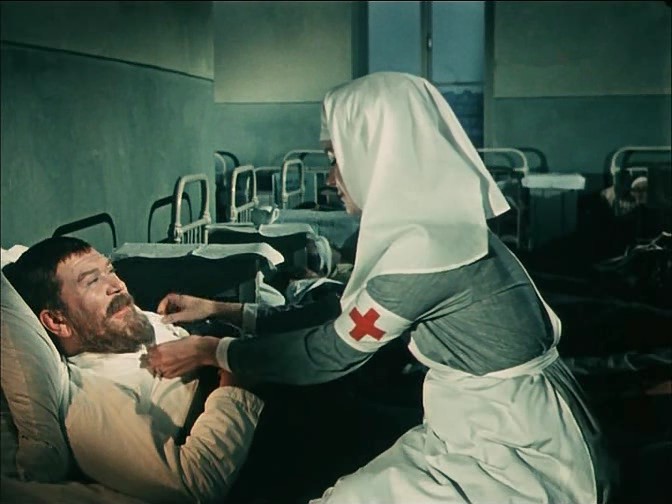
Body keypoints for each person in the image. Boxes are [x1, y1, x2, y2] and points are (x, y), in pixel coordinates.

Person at [146, 72, 614, 503]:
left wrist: (214, 351)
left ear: (377, 152)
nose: (331, 178)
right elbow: (338, 313)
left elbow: (328, 353)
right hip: (485, 421)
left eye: (336, 159)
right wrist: (223, 310)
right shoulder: (438, 227)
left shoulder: (425, 251)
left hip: (511, 449)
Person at [5, 236, 263, 504]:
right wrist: (234, 375)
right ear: (57, 321)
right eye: (92, 281)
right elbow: (196, 482)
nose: (117, 285)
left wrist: (215, 312)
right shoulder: (92, 400)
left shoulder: (131, 323)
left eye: (110, 270)